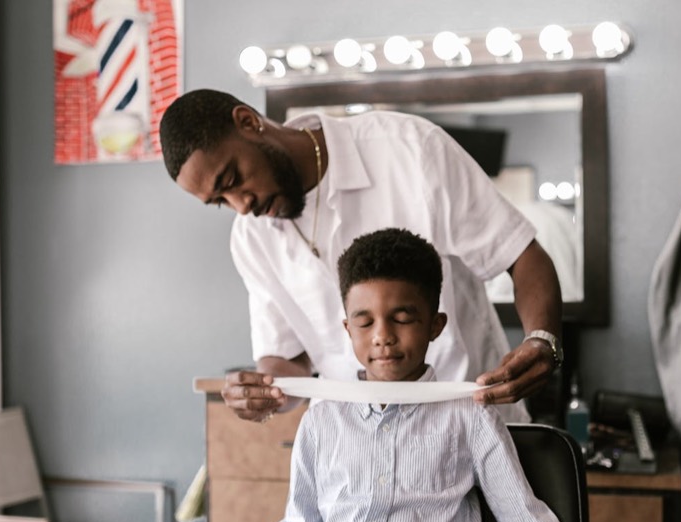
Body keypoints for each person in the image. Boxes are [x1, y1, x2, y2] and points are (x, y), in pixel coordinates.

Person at [158, 229, 646, 522]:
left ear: (435, 325)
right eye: (365, 322)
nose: (382, 336)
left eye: (402, 318)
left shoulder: (469, 415)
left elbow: (525, 519)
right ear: (347, 329)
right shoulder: (323, 418)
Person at [158, 89, 566, 424]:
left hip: (473, 426)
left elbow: (521, 255)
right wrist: (261, 392)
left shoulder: (408, 150)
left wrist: (542, 338)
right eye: (219, 201)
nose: (240, 205)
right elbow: (289, 359)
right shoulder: (251, 238)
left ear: (248, 122)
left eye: (232, 180)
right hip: (358, 456)